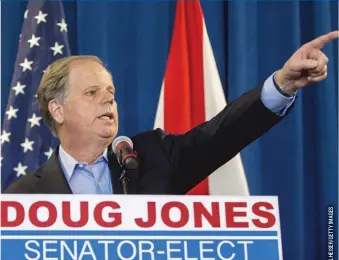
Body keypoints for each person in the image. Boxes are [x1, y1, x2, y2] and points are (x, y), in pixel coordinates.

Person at [3, 31, 338, 196]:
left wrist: (282, 84)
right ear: (57, 110)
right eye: (92, 93)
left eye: (111, 93)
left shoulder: (152, 155)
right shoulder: (22, 198)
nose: (108, 100)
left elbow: (223, 134)